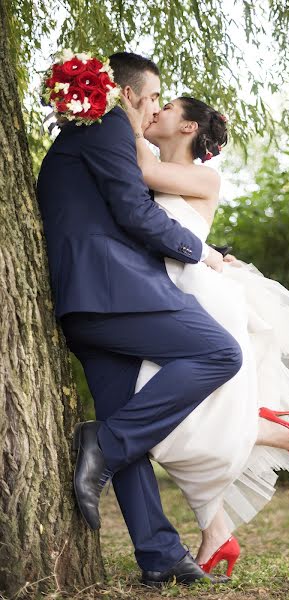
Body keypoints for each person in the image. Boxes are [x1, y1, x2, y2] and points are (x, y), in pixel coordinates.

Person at [36, 51, 243, 587]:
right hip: (115, 292)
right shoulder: (106, 124)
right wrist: (200, 253)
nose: (152, 108)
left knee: (124, 423)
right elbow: (133, 212)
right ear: (128, 94)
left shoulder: (88, 136)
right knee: (220, 353)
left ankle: (159, 553)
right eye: (152, 97)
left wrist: (206, 246)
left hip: (90, 301)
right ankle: (103, 443)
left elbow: (130, 209)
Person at [119, 92, 289, 576]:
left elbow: (149, 178)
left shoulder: (201, 175)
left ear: (189, 128)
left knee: (165, 419)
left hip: (198, 296)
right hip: (166, 292)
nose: (158, 111)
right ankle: (216, 533)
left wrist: (127, 115)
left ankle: (276, 431)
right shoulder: (153, 160)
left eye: (168, 107)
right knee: (172, 417)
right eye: (154, 105)